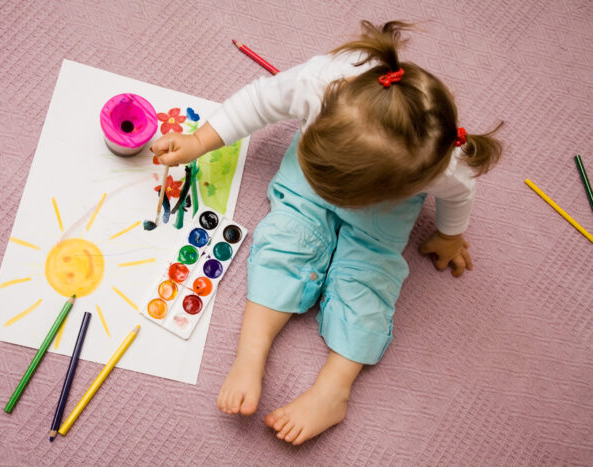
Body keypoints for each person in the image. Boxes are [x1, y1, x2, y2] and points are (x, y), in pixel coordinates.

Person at [151, 20, 503, 445]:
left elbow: (460, 194)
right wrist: (201, 140)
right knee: (283, 241)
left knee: (370, 281)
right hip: (310, 170)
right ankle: (251, 352)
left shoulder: (443, 162)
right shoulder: (321, 82)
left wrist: (450, 235)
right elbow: (258, 102)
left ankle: (333, 389)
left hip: (386, 207)